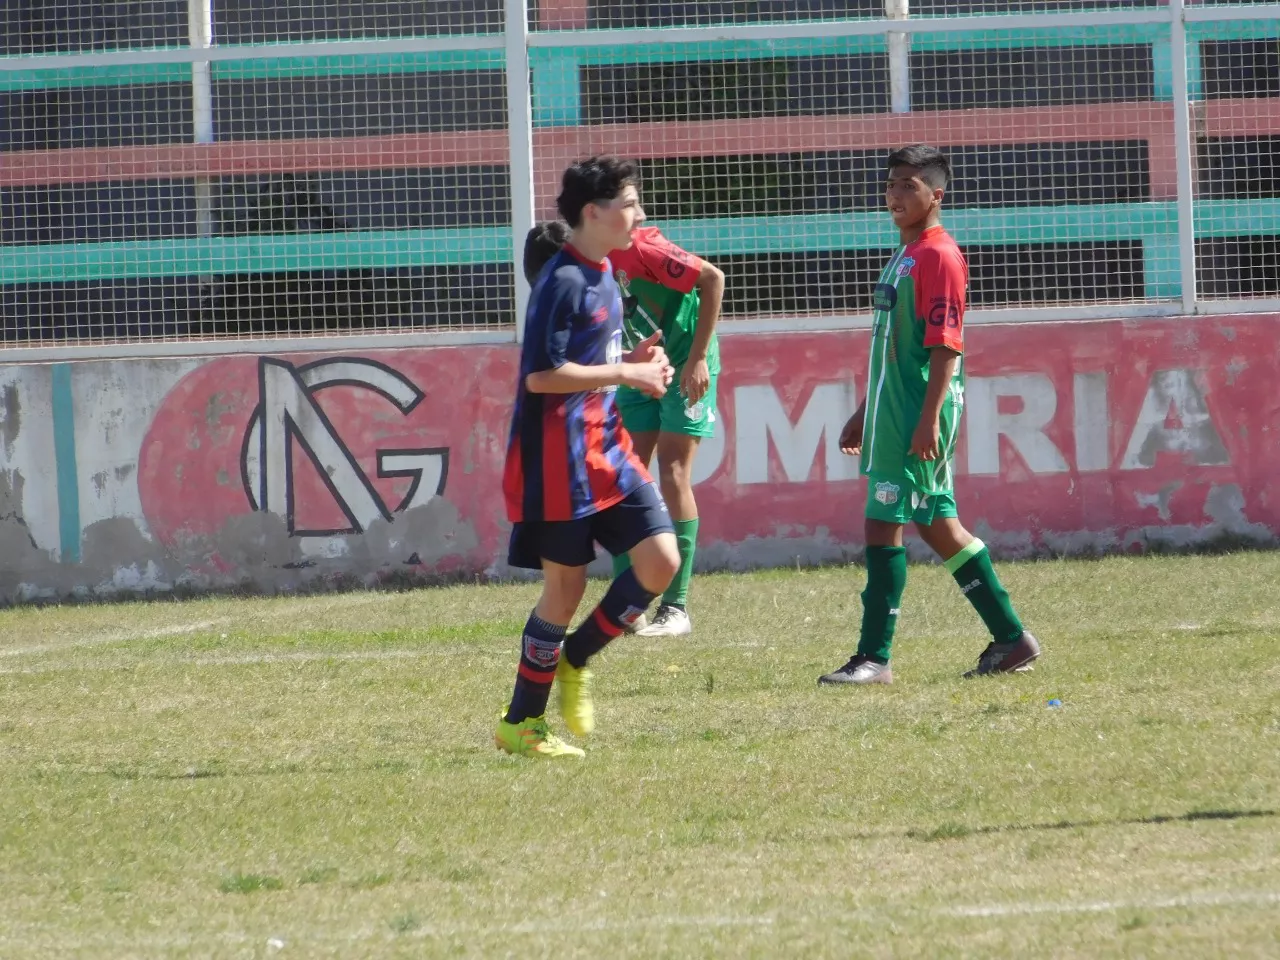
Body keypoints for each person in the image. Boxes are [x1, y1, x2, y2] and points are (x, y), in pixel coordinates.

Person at [818, 144, 1041, 686]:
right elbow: (899, 348)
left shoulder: (939, 255)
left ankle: (873, 658)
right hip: (894, 411)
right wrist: (866, 410)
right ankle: (1011, 639)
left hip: (919, 413)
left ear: (936, 195)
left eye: (909, 186)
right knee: (938, 526)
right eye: (892, 183)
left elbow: (945, 347)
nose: (895, 194)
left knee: (887, 521)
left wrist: (927, 420)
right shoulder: (906, 252)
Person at [496, 156, 681, 758]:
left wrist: (639, 360)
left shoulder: (605, 273)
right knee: (564, 593)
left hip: (608, 447)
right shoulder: (563, 280)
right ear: (593, 212)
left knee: (660, 561)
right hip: (558, 463)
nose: (640, 214)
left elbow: (589, 355)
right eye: (629, 204)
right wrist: (627, 372)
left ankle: (577, 657)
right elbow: (542, 377)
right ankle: (522, 724)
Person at [522, 216, 726, 638]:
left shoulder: (636, 246)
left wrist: (699, 357)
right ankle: (629, 608)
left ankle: (675, 607)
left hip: (684, 360)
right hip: (633, 364)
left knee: (671, 473)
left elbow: (712, 278)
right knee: (620, 475)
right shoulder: (574, 286)